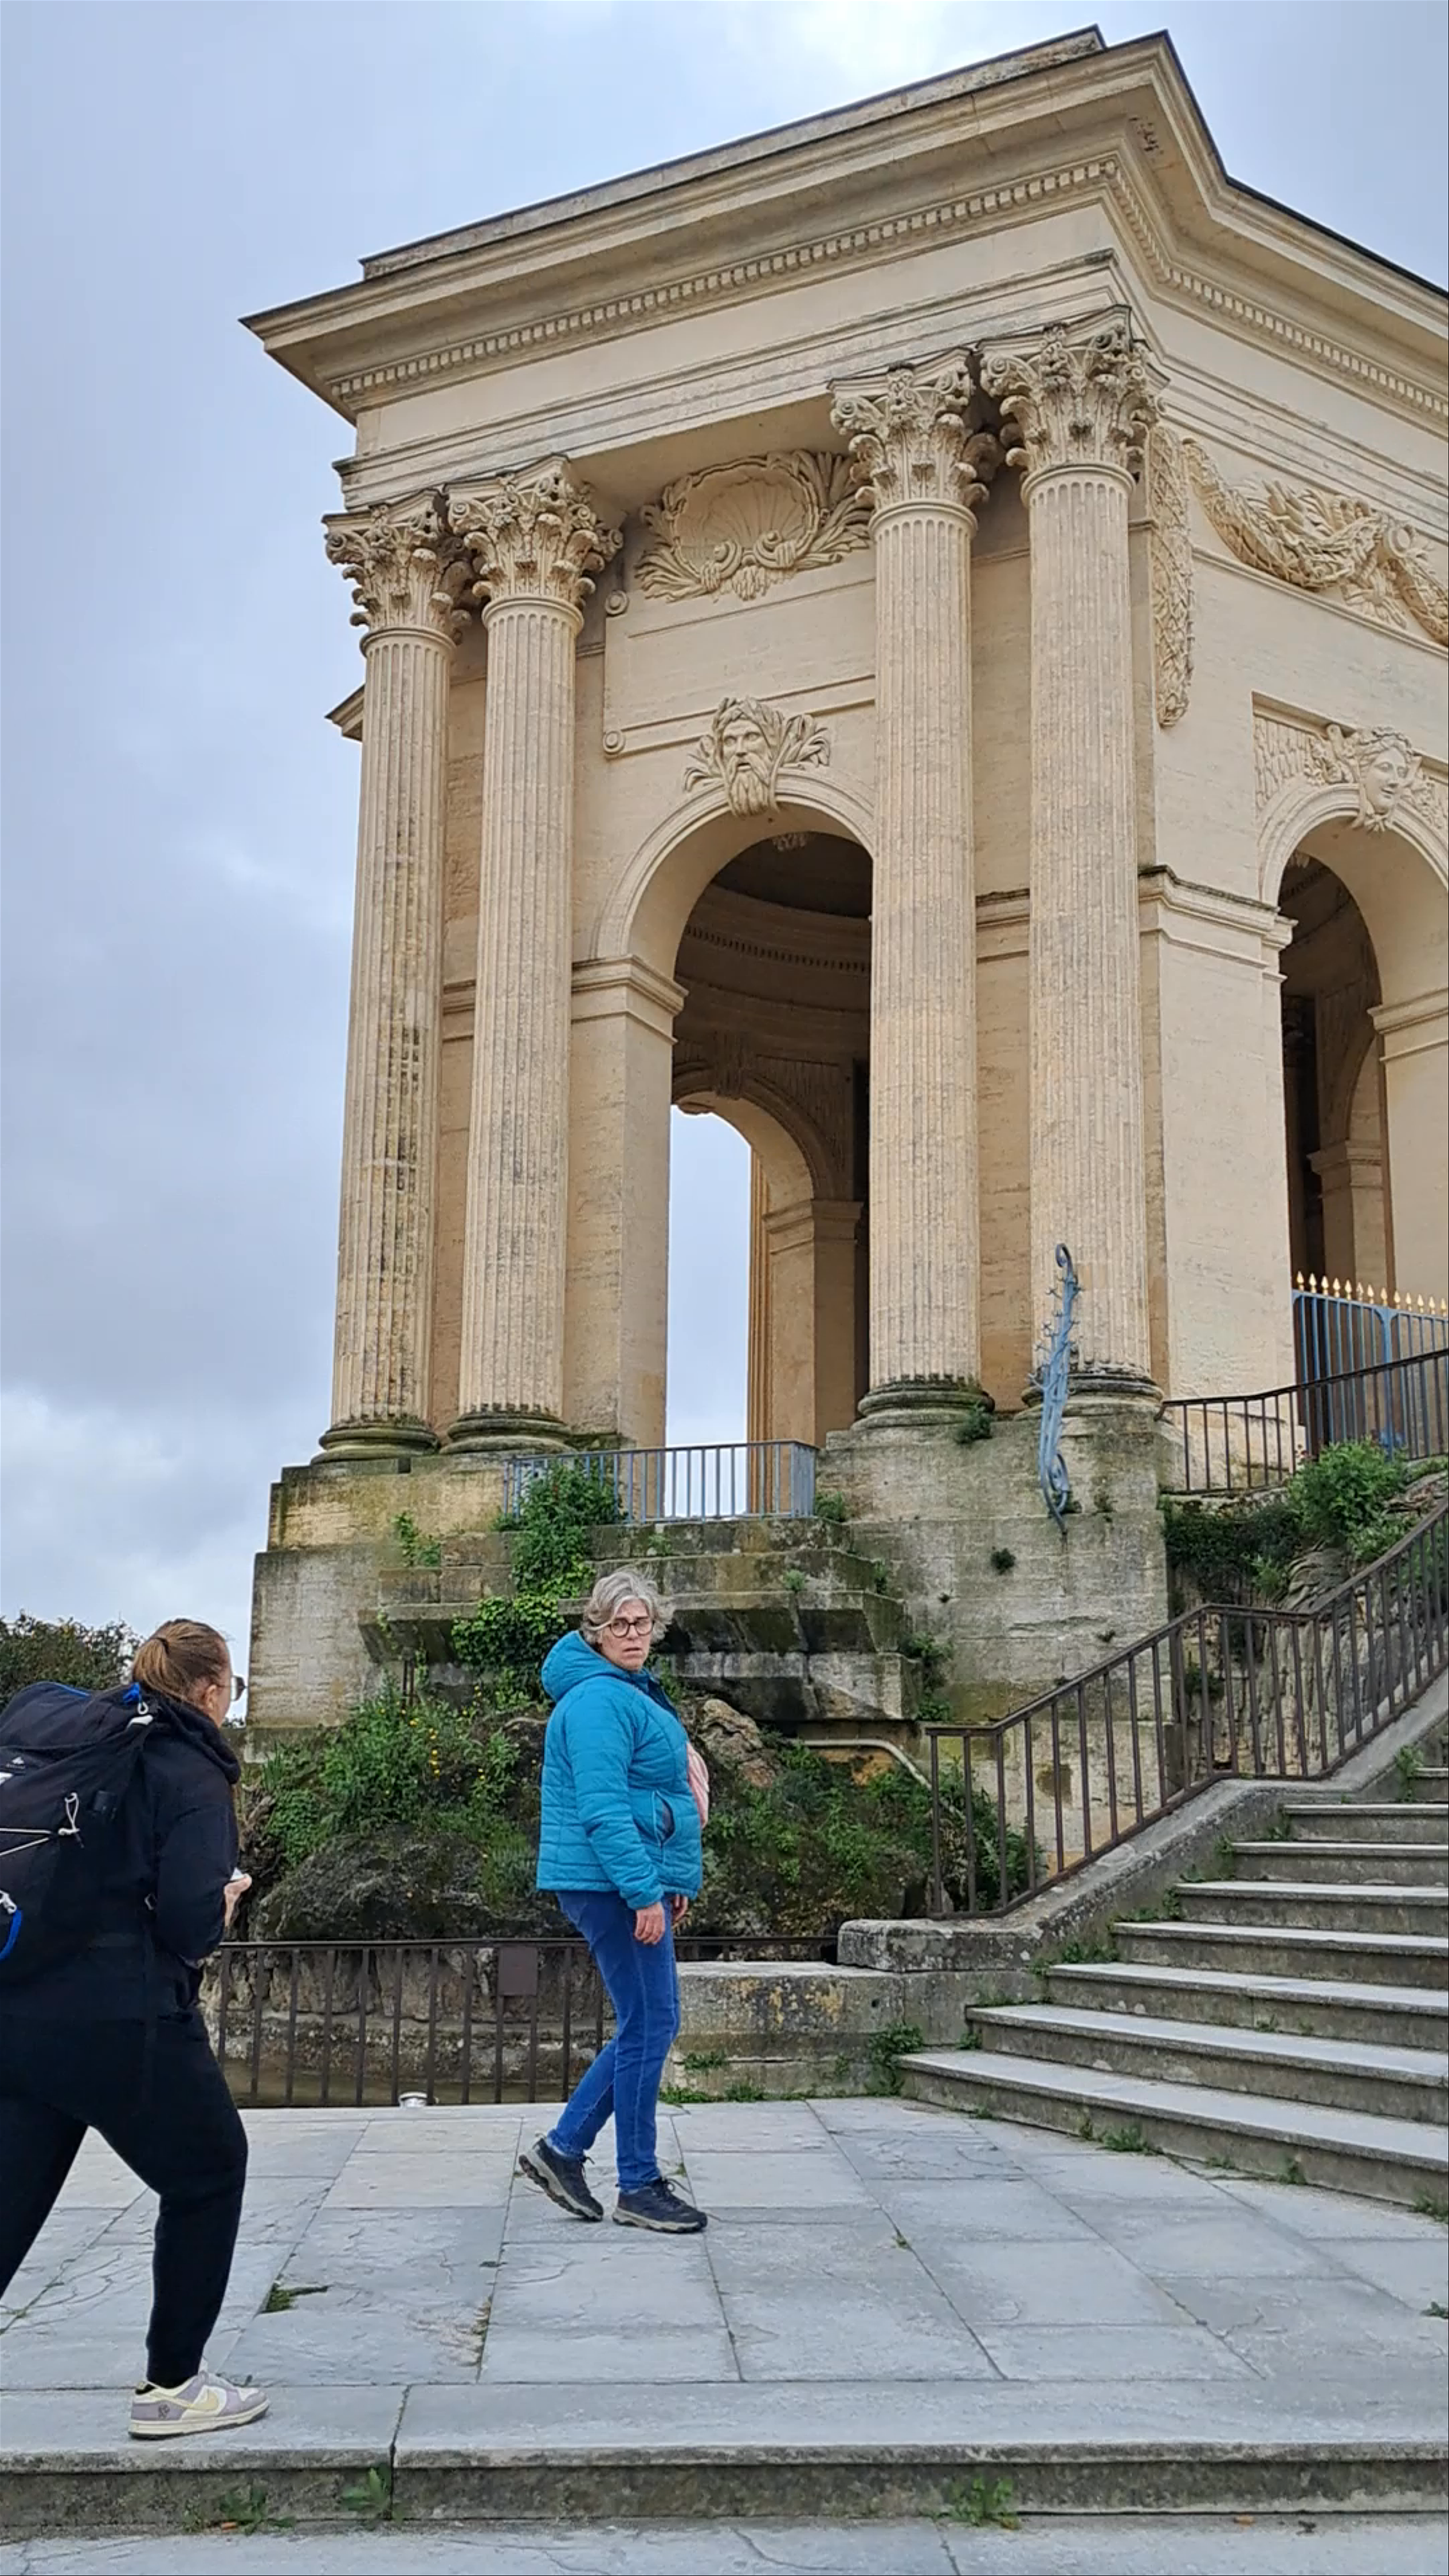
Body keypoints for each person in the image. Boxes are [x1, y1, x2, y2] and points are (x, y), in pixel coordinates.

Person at [0, 1619, 267, 2438]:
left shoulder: (84, 1736)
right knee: (211, 2169)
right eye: (234, 1688)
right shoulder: (188, 1766)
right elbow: (187, 1921)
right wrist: (222, 1902)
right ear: (211, 1689)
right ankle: (174, 2384)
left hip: (17, 2003)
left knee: (9, 2199)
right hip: (120, 2016)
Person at [521, 1569, 708, 2234]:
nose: (633, 1635)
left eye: (642, 1624)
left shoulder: (623, 1691)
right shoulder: (600, 1700)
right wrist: (643, 1893)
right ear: (595, 1632)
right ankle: (636, 2182)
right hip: (609, 1884)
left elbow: (643, 1797)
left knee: (646, 2022)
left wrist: (667, 1883)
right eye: (619, 1625)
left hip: (619, 1882)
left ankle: (563, 2150)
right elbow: (602, 1811)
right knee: (652, 2021)